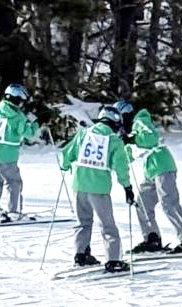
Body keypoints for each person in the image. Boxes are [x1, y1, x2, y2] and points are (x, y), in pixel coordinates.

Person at [57, 104, 134, 271]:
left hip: (79, 185)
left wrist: (64, 166)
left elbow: (65, 154)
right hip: (99, 188)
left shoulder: (84, 134)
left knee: (83, 222)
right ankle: (113, 260)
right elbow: (121, 167)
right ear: (114, 122)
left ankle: (81, 254)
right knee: (107, 225)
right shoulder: (114, 141)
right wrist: (127, 187)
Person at [125, 104, 182, 252]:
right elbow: (129, 154)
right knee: (142, 204)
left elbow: (151, 138)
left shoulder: (140, 120)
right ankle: (152, 239)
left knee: (169, 203)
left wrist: (133, 139)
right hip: (150, 171)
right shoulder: (131, 130)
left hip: (163, 165)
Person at [0, 83, 40, 219]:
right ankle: (13, 211)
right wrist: (36, 123)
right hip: (7, 153)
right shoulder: (17, 116)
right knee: (13, 181)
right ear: (17, 99)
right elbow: (28, 133)